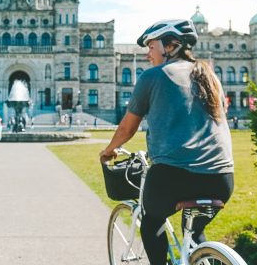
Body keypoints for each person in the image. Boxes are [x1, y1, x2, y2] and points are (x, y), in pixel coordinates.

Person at [98, 19, 234, 265]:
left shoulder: (152, 77)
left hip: (173, 177)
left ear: (171, 46)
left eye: (151, 47)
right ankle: (202, 257)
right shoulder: (210, 76)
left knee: (151, 223)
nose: (148, 54)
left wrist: (109, 151)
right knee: (194, 231)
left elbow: (128, 127)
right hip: (222, 178)